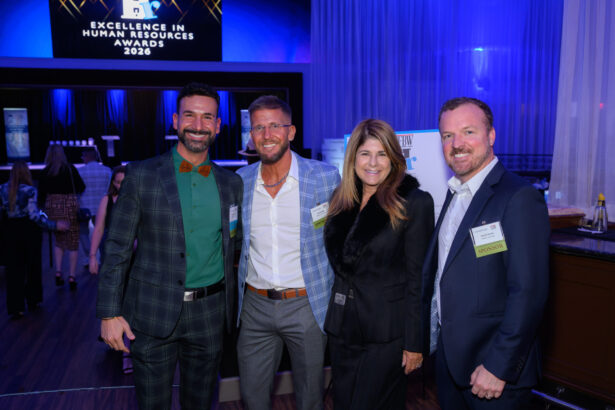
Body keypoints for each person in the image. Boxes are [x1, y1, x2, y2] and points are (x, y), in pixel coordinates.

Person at [96, 82, 243, 409]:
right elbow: (116, 247)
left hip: (210, 313)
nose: (198, 125)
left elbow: (236, 246)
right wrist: (108, 312)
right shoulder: (141, 175)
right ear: (175, 121)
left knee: (201, 403)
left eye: (208, 118)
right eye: (190, 116)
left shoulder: (231, 184)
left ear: (218, 126)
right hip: (151, 312)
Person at [421, 97, 550, 409]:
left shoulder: (518, 197)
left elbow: (528, 293)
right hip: (452, 365)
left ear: (491, 136)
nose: (457, 144)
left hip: (493, 373)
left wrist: (498, 366)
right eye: (447, 136)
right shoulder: (455, 193)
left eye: (468, 132)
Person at [236, 95, 340, 410]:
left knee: (311, 398)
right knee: (253, 399)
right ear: (251, 136)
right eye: (258, 128)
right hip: (254, 307)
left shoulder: (324, 178)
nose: (267, 135)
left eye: (275, 126)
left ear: (291, 131)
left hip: (307, 305)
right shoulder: (238, 183)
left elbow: (343, 240)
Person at [323, 119, 434, 409]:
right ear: (353, 159)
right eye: (365, 154)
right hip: (342, 329)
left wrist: (414, 343)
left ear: (394, 158)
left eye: (382, 154)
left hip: (386, 335)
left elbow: (418, 279)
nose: (373, 163)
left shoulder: (414, 202)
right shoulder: (341, 200)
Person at [0, 161, 69, 319]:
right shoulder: (30, 190)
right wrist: (54, 225)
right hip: (28, 232)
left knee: (14, 269)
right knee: (32, 266)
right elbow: (34, 216)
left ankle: (16, 307)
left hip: (10, 231)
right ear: (26, 173)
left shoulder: (2, 189)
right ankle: (33, 300)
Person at [38, 144, 85, 290]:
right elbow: (81, 187)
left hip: (52, 206)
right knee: (73, 241)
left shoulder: (45, 171)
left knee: (59, 240)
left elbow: (41, 194)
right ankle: (72, 276)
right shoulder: (70, 169)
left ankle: (58, 273)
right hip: (69, 206)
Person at [88, 165, 126, 276]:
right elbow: (99, 228)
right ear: (113, 183)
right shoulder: (107, 200)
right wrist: (92, 256)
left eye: (124, 182)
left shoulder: (139, 199)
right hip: (111, 248)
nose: (122, 186)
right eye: (118, 182)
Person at [77, 146, 111, 269]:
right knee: (103, 233)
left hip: (84, 208)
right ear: (96, 157)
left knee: (83, 234)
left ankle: (89, 257)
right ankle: (101, 257)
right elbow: (110, 190)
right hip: (102, 207)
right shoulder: (107, 171)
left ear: (86, 157)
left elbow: (78, 191)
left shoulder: (80, 172)